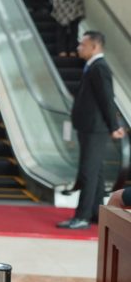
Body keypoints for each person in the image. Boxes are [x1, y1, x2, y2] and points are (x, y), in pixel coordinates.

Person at [57, 31, 125, 229]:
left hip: (95, 129)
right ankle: (96, 213)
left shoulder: (99, 68)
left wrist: (114, 126)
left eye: (82, 45)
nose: (79, 48)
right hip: (89, 127)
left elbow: (107, 99)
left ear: (95, 47)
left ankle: (82, 217)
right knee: (96, 172)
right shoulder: (92, 66)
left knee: (88, 172)